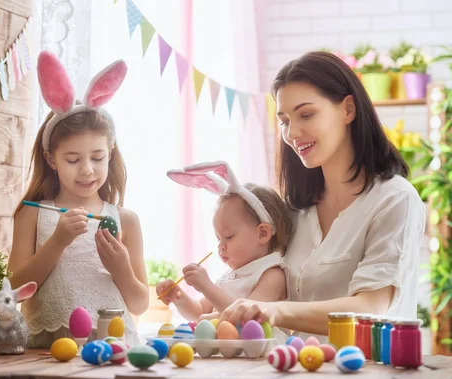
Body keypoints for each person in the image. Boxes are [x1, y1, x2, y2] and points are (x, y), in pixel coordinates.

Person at [216, 51, 425, 343]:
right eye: (285, 120)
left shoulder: (394, 200)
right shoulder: (295, 211)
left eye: (306, 114)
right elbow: (259, 280)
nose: (292, 133)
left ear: (348, 109)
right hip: (301, 366)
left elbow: (370, 308)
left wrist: (274, 311)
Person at [7, 51, 148, 348]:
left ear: (109, 152)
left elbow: (139, 304)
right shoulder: (32, 214)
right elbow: (13, 288)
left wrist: (120, 268)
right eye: (73, 159)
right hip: (48, 350)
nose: (87, 169)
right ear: (52, 159)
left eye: (97, 157)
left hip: (115, 347)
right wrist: (58, 240)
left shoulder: (127, 220)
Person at [157, 161, 292, 339]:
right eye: (218, 238)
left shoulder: (273, 275)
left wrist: (206, 286)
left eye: (228, 237)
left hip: (262, 359)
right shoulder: (231, 276)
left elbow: (246, 316)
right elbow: (199, 312)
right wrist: (179, 298)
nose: (221, 246)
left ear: (262, 233)